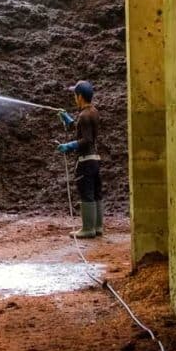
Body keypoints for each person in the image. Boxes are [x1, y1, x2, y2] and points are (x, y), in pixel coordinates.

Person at [56, 80, 102, 239]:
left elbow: (86, 140)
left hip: (86, 162)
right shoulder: (93, 112)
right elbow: (84, 129)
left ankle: (87, 229)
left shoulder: (84, 115)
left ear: (80, 96)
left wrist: (68, 146)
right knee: (96, 193)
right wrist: (68, 120)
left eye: (75, 95)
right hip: (95, 160)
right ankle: (97, 227)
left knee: (86, 193)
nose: (74, 98)